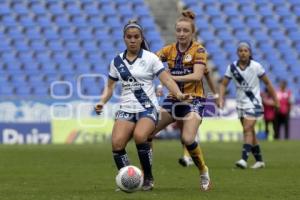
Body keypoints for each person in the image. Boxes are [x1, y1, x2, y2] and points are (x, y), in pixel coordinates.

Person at [94, 20, 188, 191]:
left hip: (147, 108)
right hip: (126, 109)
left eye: (136, 37)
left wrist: (179, 94)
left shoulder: (151, 58)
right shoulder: (116, 61)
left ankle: (148, 178)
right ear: (124, 38)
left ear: (141, 38)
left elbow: (166, 79)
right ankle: (129, 178)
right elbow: (109, 87)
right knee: (116, 144)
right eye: (129, 37)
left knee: (140, 136)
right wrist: (102, 101)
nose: (132, 40)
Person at [150, 10, 212, 191]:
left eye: (185, 31)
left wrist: (169, 79)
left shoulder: (199, 50)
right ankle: (147, 176)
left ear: (192, 32)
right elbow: (150, 61)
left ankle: (203, 171)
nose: (181, 34)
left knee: (187, 138)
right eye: (179, 30)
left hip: (195, 100)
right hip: (173, 99)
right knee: (146, 134)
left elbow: (197, 75)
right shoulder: (168, 50)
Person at [218, 42, 279, 169]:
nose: (243, 53)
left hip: (254, 103)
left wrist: (276, 100)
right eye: (240, 50)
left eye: (246, 50)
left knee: (247, 129)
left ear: (250, 52)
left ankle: (243, 159)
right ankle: (259, 161)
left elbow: (268, 84)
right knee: (250, 132)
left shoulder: (256, 66)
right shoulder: (232, 68)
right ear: (237, 53)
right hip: (240, 104)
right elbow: (223, 84)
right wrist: (221, 98)